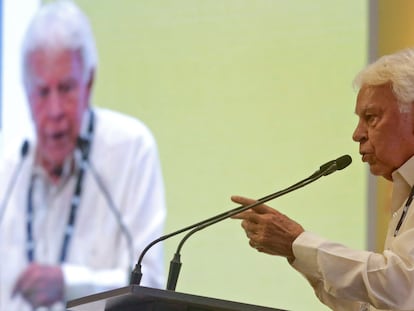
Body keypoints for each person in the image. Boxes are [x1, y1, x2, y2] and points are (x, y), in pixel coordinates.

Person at [0, 1, 166, 310]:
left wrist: (67, 284)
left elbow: (150, 288)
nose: (54, 111)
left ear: (88, 82)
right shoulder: (7, 170)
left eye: (66, 89)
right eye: (41, 91)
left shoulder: (130, 149)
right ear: (25, 90)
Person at [232, 47, 414, 311]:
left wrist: (298, 243)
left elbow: (402, 288)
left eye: (371, 117)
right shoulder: (405, 188)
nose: (357, 134)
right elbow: (383, 305)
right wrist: (294, 250)